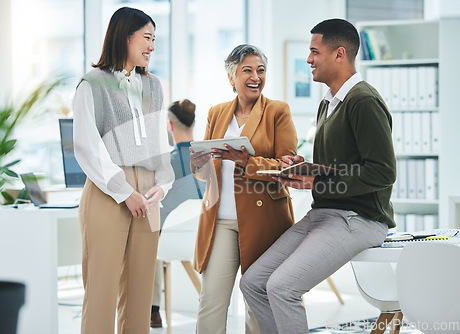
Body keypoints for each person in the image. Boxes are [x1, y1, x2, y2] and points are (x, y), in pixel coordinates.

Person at [239, 18, 396, 334]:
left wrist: (318, 180)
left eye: (314, 51)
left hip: (359, 218)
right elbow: (337, 164)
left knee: (282, 287)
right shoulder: (328, 103)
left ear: (339, 54)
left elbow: (383, 171)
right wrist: (302, 166)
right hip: (323, 213)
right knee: (253, 282)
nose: (308, 59)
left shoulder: (363, 101)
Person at [73, 7, 174, 334]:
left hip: (148, 190)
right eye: (147, 38)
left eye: (154, 39)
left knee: (141, 291)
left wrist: (163, 184)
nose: (152, 46)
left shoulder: (154, 86)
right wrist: (123, 191)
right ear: (124, 36)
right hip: (108, 190)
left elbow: (161, 143)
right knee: (101, 289)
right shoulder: (92, 84)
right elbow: (88, 148)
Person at [189, 44, 298, 333]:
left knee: (257, 303)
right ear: (231, 77)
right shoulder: (217, 112)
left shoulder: (277, 111)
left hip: (265, 222)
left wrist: (248, 162)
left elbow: (289, 169)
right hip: (221, 220)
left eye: (261, 70)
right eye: (247, 70)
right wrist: (198, 164)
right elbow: (207, 173)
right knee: (211, 299)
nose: (255, 77)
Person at [150, 99, 205, 328]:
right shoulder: (209, 159)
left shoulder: (164, 165)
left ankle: (153, 310)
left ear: (170, 126)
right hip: (203, 238)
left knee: (147, 236)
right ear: (193, 123)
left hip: (170, 243)